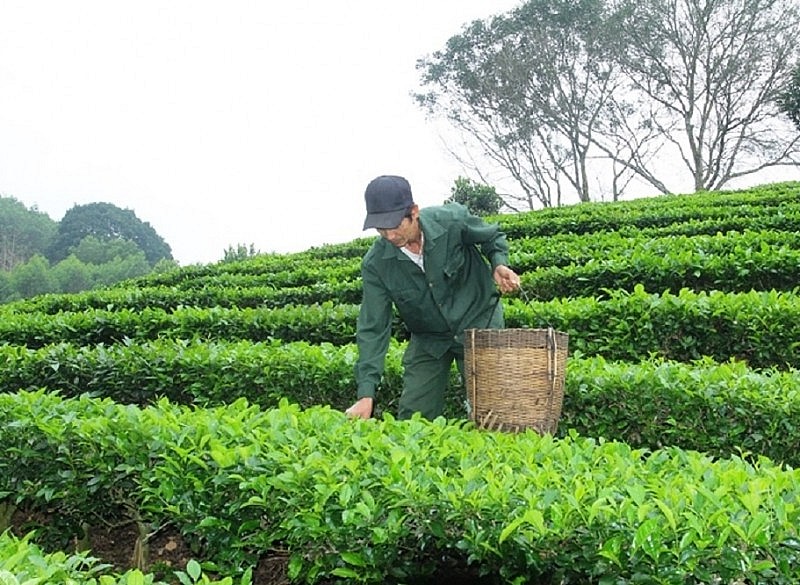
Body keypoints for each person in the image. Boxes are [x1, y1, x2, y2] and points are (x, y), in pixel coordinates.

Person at [345, 174, 521, 421]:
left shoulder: (451, 221)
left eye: (395, 226)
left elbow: (491, 236)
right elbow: (373, 327)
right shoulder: (376, 264)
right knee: (413, 420)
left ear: (414, 212)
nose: (390, 236)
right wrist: (366, 393)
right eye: (381, 229)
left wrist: (498, 263)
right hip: (430, 339)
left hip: (478, 323)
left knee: (493, 412)